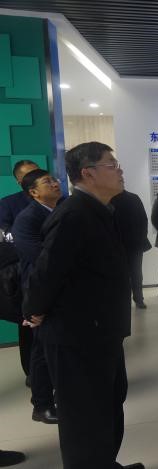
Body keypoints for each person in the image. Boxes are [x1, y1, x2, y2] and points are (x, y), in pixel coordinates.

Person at [23, 142, 143, 469]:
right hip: (76, 336)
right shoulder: (75, 214)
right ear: (88, 173)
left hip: (100, 331)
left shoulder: (101, 209)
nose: (119, 170)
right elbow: (46, 271)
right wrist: (34, 310)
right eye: (111, 165)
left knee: (107, 405)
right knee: (83, 417)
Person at [12, 169, 62, 425]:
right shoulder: (27, 219)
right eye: (47, 182)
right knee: (42, 350)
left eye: (54, 179)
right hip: (40, 291)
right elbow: (41, 259)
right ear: (33, 192)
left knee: (56, 348)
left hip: (61, 290)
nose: (55, 184)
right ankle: (42, 405)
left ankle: (60, 398)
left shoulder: (61, 209)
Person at [0, 160, 39, 386]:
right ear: (19, 181)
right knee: (28, 327)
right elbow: (5, 236)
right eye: (28, 175)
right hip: (25, 275)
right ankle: (32, 373)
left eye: (38, 172)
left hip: (54, 274)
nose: (35, 177)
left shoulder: (59, 199)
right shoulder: (9, 203)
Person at [112, 190, 151, 309]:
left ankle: (138, 298)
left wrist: (142, 237)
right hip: (117, 244)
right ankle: (124, 300)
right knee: (122, 273)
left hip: (134, 244)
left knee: (136, 273)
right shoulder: (109, 198)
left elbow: (143, 219)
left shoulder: (133, 198)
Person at [0, 160, 39, 236]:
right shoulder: (7, 204)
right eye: (30, 175)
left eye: (39, 173)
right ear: (20, 183)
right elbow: (6, 232)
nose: (38, 177)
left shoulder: (58, 198)